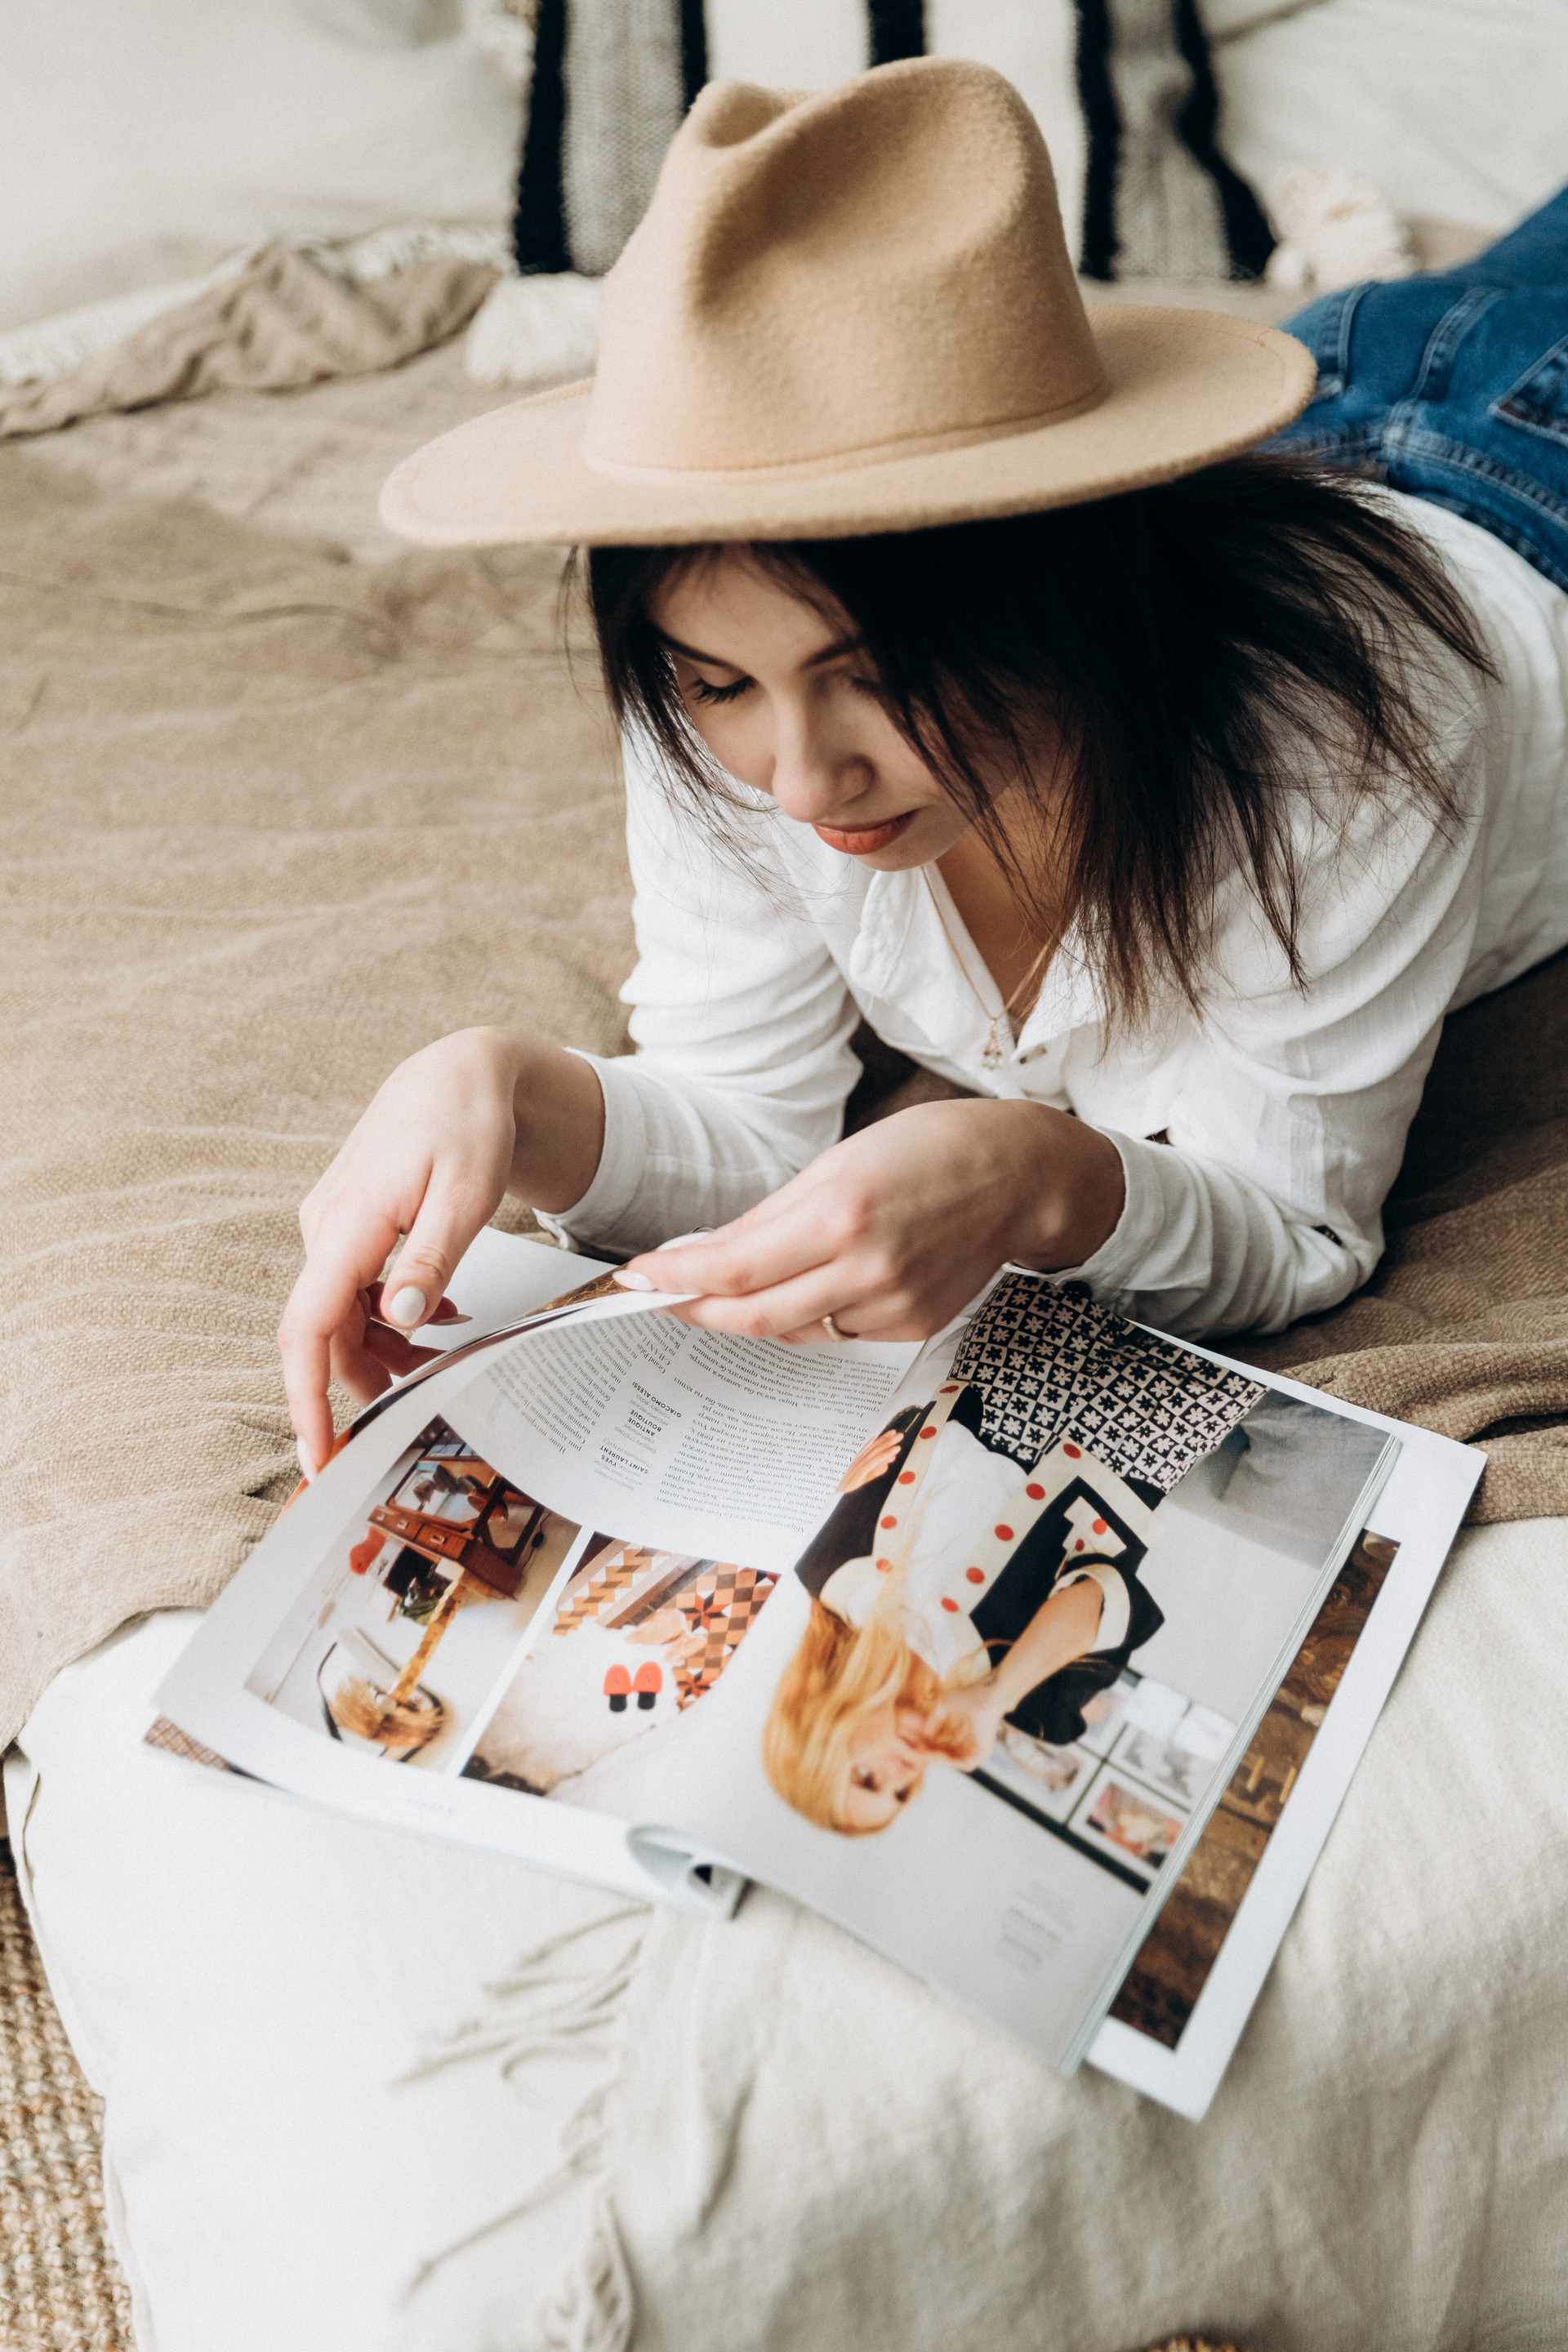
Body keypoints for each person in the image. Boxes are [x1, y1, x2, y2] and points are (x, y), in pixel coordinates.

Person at [276, 58, 1568, 1482]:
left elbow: (1299, 1224)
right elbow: (744, 1116)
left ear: (1065, 610)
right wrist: (514, 1097)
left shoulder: (1346, 745)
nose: (800, 784)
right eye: (721, 685)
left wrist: (1040, 1178)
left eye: (881, 678)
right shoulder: (719, 687)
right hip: (1312, 412)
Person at [761, 1387, 1165, 1835]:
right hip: (1145, 1436)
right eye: (900, 1793)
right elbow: (1105, 1591)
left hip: (1010, 1375)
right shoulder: (1039, 1709)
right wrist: (994, 1697)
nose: (900, 1774)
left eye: (866, 1777)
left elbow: (904, 1419)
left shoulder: (826, 1569)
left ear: (816, 1734)